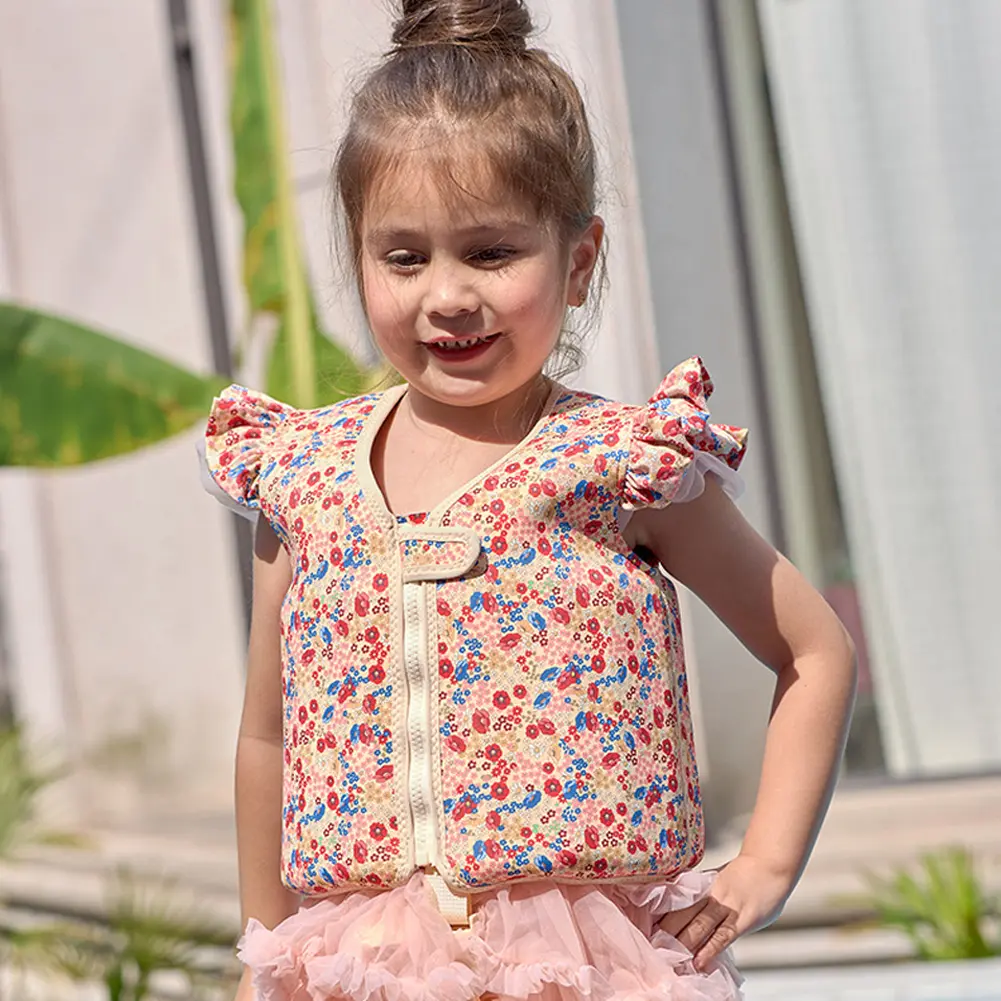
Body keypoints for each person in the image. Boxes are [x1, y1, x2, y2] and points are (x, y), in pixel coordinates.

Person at [200, 1, 857, 998]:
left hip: (580, 965)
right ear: (358, 254)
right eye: (403, 256)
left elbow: (812, 650)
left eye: (491, 252)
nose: (446, 296)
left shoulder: (621, 466)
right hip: (365, 962)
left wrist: (763, 863)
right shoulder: (300, 475)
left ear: (577, 259)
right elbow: (267, 734)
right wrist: (266, 954)